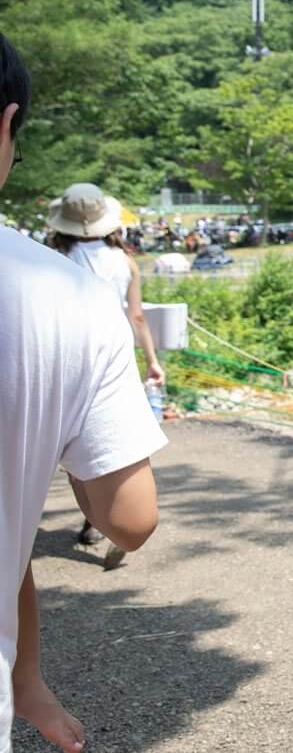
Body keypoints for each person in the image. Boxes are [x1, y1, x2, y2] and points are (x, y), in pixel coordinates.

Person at [1, 33, 166, 753]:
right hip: (78, 365)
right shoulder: (70, 284)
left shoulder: (58, 262)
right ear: (7, 126)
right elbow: (135, 518)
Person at [46, 183, 166, 566]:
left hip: (61, 359)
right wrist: (152, 360)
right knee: (114, 452)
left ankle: (86, 516)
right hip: (113, 361)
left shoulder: (50, 258)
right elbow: (137, 316)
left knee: (67, 452)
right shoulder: (124, 262)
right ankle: (103, 521)